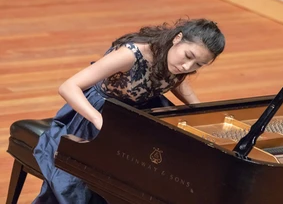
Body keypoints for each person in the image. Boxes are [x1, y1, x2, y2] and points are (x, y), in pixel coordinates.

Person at [32, 18, 225, 203]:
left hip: (137, 116)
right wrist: (100, 122)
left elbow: (174, 79)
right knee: (88, 184)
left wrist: (201, 111)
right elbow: (68, 87)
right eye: (188, 56)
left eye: (198, 65)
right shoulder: (131, 55)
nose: (187, 67)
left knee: (165, 166)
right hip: (99, 114)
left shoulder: (175, 62)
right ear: (177, 38)